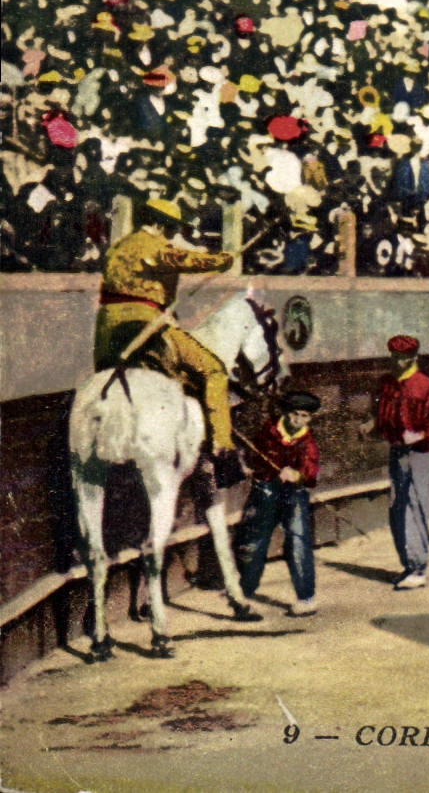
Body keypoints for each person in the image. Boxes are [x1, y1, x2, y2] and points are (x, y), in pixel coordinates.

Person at [93, 197, 239, 467]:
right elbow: (185, 259)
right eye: (172, 228)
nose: (174, 235)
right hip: (145, 325)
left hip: (105, 332)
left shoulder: (116, 249)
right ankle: (222, 448)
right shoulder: (156, 247)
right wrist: (224, 259)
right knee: (214, 369)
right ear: (159, 224)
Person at [237, 391, 322, 616]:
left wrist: (296, 474)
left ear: (310, 418)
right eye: (295, 414)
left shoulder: (308, 442)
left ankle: (306, 598)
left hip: (294, 494)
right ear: (286, 413)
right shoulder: (269, 430)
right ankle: (242, 594)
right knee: (255, 540)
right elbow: (254, 453)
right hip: (265, 490)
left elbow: (311, 471)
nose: (298, 420)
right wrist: (253, 466)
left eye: (304, 416)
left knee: (298, 540)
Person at [374, 335, 429, 590]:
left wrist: (421, 434)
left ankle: (418, 567)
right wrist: (374, 426)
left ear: (414, 357)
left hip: (418, 453)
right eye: (394, 356)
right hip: (397, 452)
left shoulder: (425, 385)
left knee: (414, 505)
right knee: (397, 506)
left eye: (403, 357)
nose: (398, 361)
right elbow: (382, 417)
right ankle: (408, 564)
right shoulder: (389, 385)